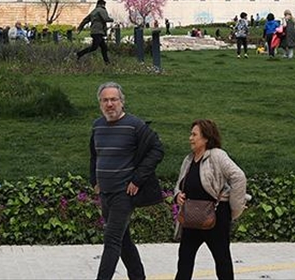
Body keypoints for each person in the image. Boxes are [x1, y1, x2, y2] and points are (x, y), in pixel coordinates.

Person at [89, 82, 164, 280]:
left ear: (122, 102)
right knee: (123, 241)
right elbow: (94, 155)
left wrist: (138, 179)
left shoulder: (135, 125)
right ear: (100, 104)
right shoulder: (97, 126)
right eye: (105, 100)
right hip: (105, 192)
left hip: (124, 193)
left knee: (112, 239)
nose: (109, 104)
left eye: (114, 99)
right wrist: (94, 180)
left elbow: (157, 149)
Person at [173, 119, 247, 280]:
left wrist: (234, 208)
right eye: (190, 134)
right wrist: (177, 195)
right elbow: (179, 184)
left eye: (194, 135)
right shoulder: (189, 159)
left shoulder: (217, 156)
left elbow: (238, 177)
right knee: (184, 260)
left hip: (216, 218)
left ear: (206, 138)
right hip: (192, 218)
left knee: (222, 261)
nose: (190, 138)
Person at [77, 0, 114, 64]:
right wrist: (112, 20)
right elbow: (105, 19)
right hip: (98, 31)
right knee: (94, 47)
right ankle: (79, 54)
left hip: (94, 31)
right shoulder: (101, 10)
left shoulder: (93, 11)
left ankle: (107, 62)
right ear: (103, 4)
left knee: (104, 47)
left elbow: (85, 20)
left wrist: (80, 28)